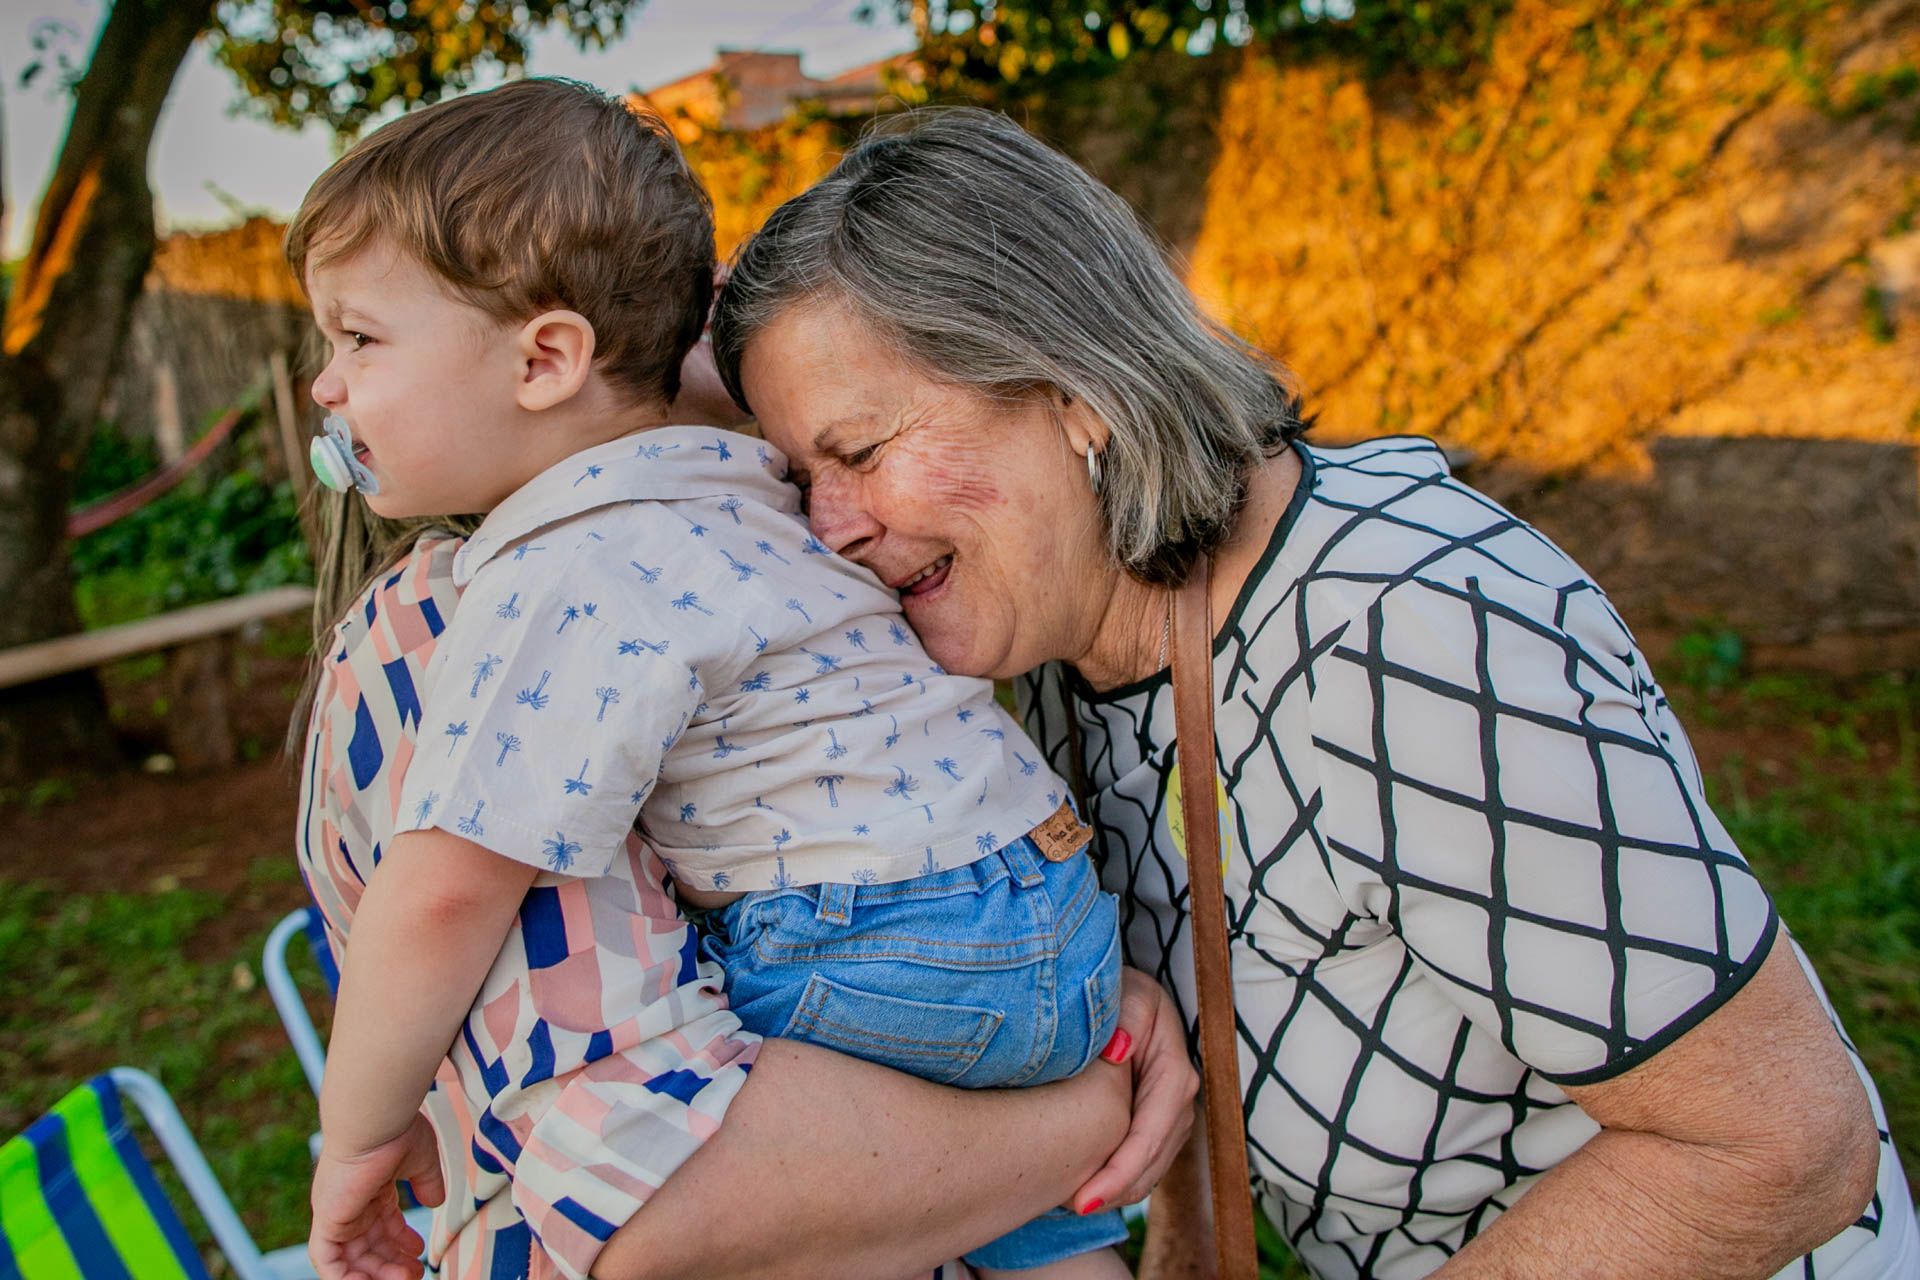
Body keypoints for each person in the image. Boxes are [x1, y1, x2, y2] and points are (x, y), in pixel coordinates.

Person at [710, 106, 1920, 1279]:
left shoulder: (1406, 630)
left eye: (860, 452)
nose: (829, 527)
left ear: (1072, 390)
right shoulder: (1071, 642)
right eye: (801, 480)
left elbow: (1779, 1142)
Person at [288, 79, 1155, 1280]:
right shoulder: (758, 483)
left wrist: (355, 1139)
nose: (324, 386)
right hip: (1053, 911)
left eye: (358, 339)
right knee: (1029, 1232)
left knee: (724, 1121)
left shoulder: (557, 573)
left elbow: (442, 894)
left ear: (548, 357)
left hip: (877, 951)